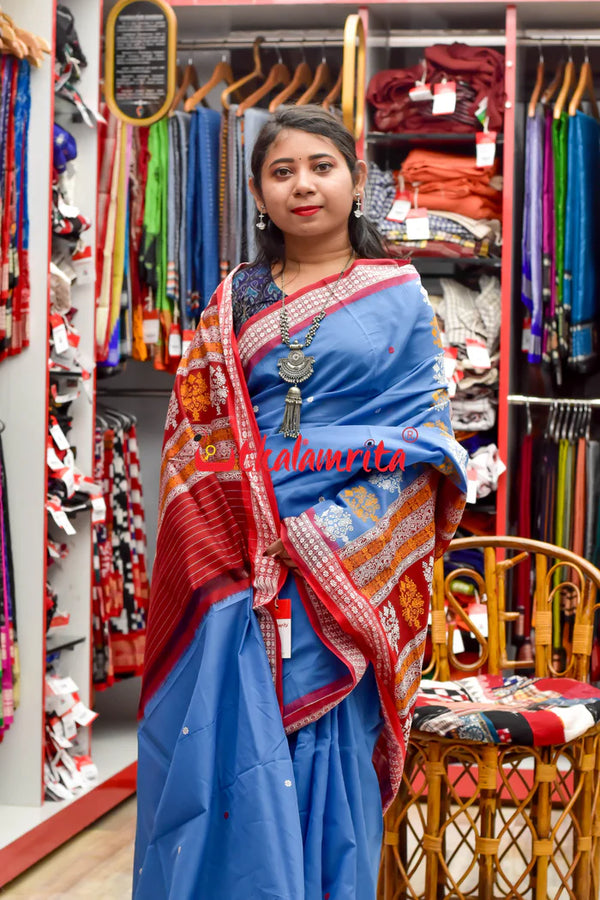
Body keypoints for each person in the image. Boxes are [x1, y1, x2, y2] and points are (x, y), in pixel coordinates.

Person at [133, 105, 468, 900]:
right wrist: (240, 543)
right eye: (281, 172)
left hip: (335, 571)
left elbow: (427, 444)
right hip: (236, 564)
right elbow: (194, 437)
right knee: (224, 749)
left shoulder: (396, 292)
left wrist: (318, 536)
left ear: (358, 179)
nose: (303, 186)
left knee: (324, 743)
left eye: (322, 166)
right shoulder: (235, 299)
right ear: (257, 192)